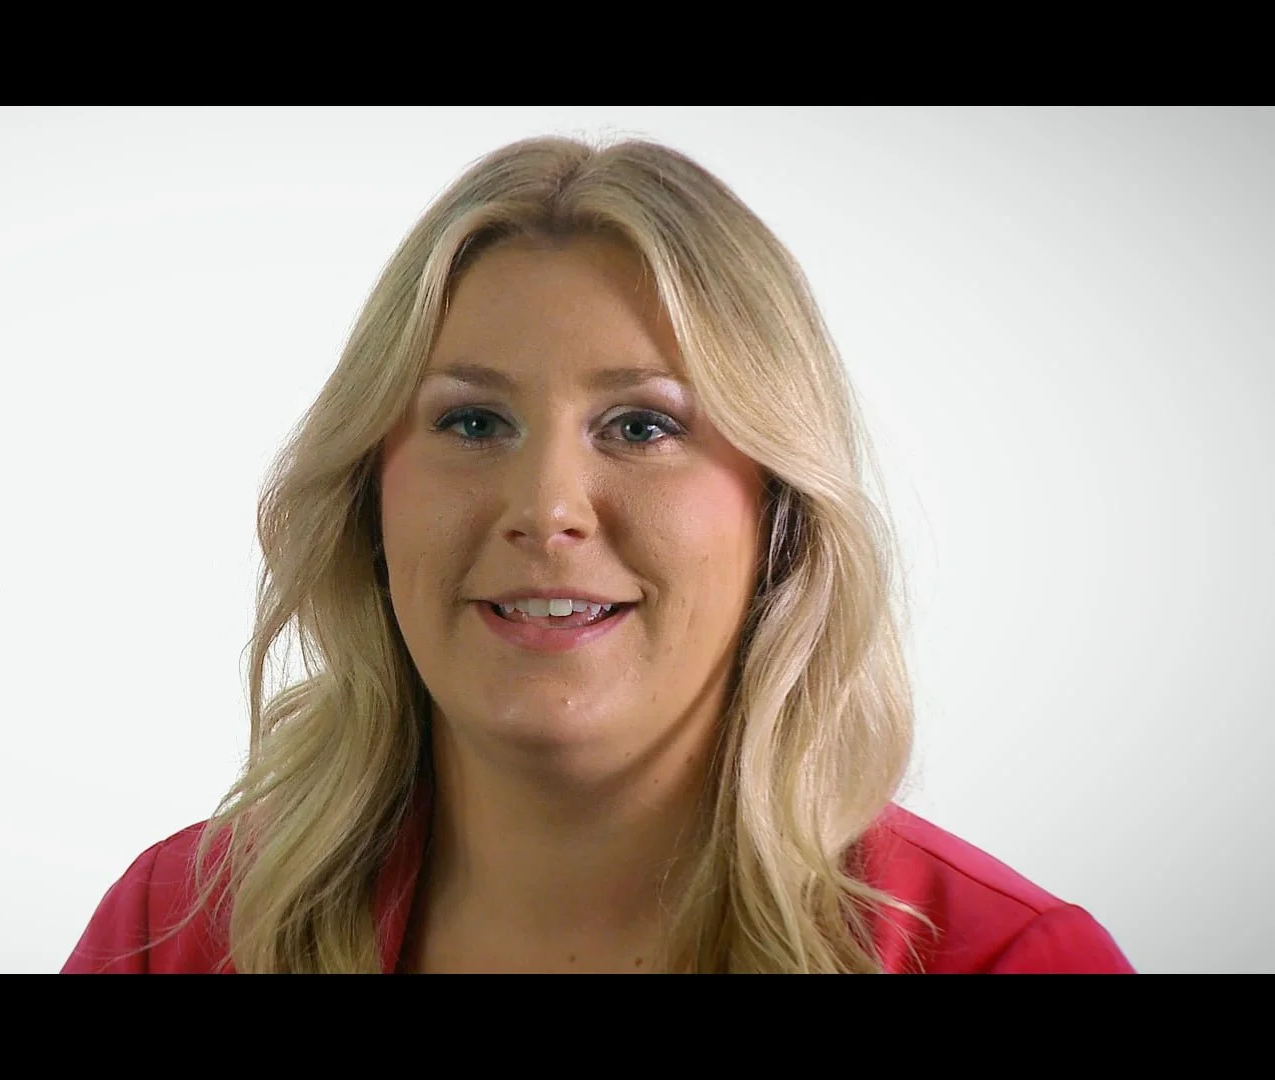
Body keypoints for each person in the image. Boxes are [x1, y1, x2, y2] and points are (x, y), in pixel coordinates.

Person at [63, 136, 1135, 973]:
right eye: (475, 423)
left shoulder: (1008, 959)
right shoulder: (178, 933)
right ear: (367, 501)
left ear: (781, 515)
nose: (546, 511)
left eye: (642, 426)